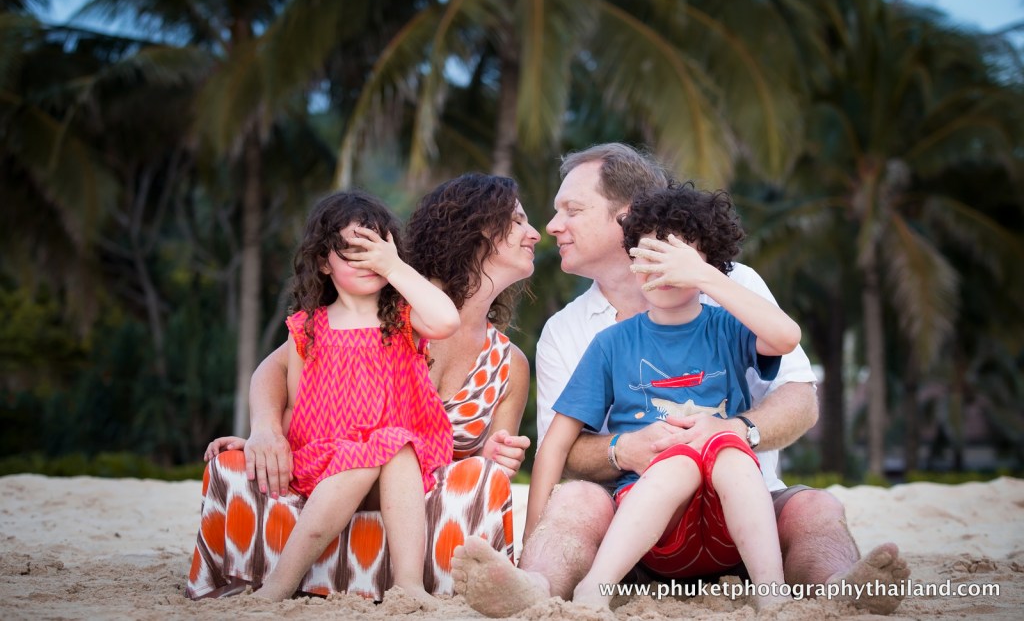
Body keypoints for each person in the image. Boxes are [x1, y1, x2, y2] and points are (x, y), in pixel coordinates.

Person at [451, 143, 910, 616]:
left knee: (816, 509)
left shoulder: (733, 289)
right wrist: (623, 449)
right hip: (634, 525)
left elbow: (799, 397)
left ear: (625, 217)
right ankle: (537, 585)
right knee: (576, 503)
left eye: (572, 209)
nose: (551, 227)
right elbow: (561, 450)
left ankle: (840, 588)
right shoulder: (569, 331)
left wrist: (735, 431)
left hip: (744, 510)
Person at [186, 174, 539, 601]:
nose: (535, 233)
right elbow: (283, 377)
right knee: (379, 445)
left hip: (408, 465)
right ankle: (282, 581)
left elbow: (486, 457)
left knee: (390, 443)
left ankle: (406, 584)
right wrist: (265, 429)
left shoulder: (413, 316)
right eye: (519, 221)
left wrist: (493, 455)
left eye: (375, 252)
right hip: (332, 456)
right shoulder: (350, 317)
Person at [527, 182, 800, 610]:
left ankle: (772, 594)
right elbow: (556, 444)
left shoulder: (726, 327)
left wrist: (705, 274)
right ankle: (594, 587)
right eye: (648, 257)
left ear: (707, 264)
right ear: (631, 260)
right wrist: (530, 543)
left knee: (729, 447)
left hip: (731, 527)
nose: (661, 271)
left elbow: (785, 336)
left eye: (676, 261)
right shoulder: (611, 343)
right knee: (678, 461)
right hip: (655, 525)